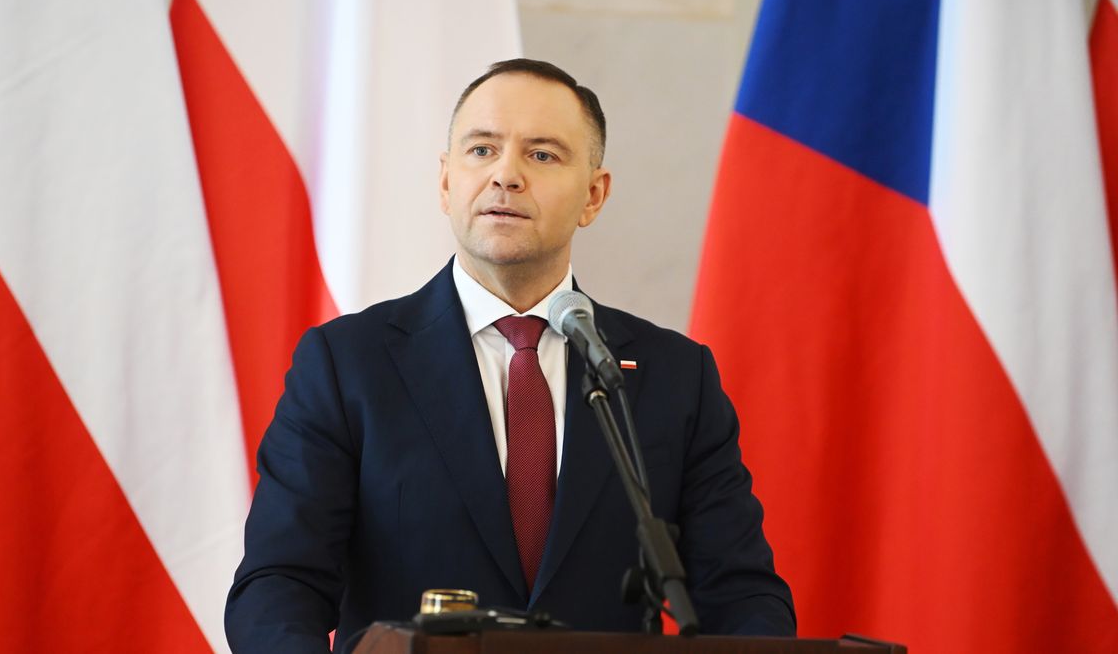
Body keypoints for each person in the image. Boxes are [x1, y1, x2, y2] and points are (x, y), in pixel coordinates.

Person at [225, 59, 795, 653]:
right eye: (481, 150)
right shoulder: (346, 365)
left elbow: (742, 596)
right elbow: (279, 584)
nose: (506, 175)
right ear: (447, 183)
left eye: (542, 155)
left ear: (593, 196)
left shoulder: (674, 377)